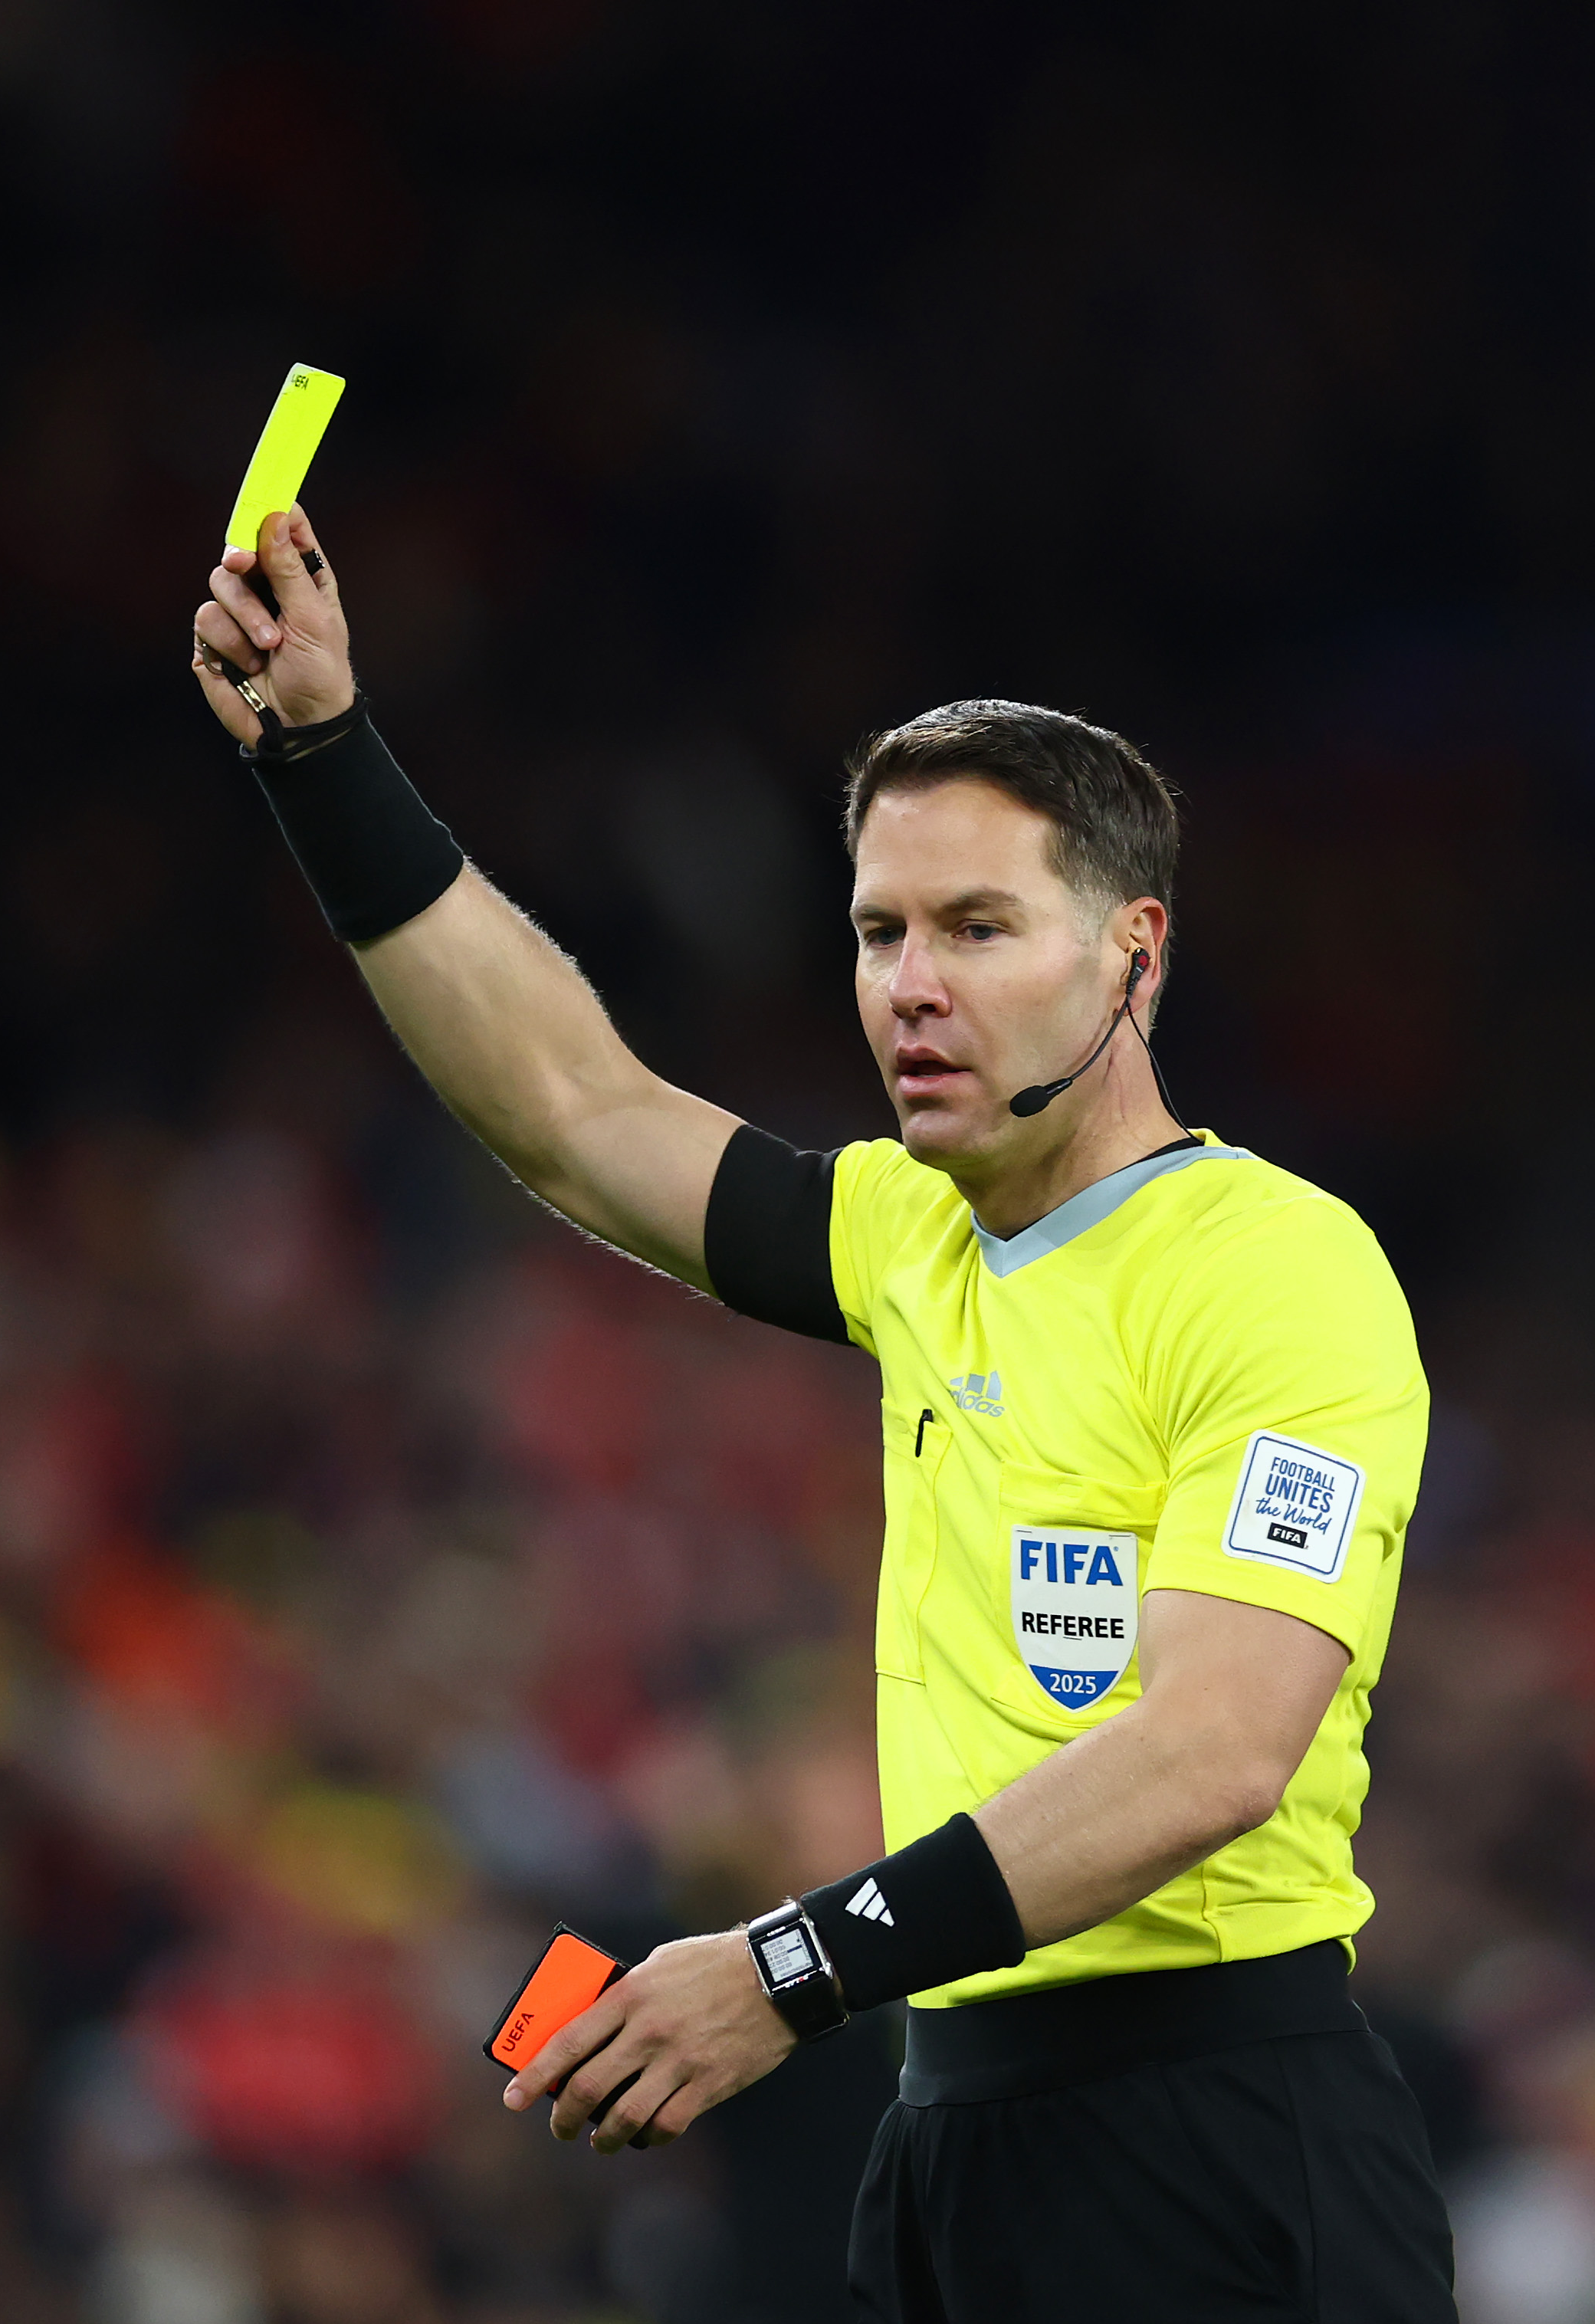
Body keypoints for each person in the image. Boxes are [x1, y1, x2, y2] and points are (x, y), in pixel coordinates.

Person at [192, 512, 1451, 2319]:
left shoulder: (1271, 1273)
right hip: (949, 2137)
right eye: (876, 933)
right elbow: (570, 1105)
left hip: (1218, 2139)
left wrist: (782, 1970)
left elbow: (1214, 1753)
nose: (908, 986)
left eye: (976, 927)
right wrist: (322, 754)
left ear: (1131, 960)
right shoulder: (907, 1238)